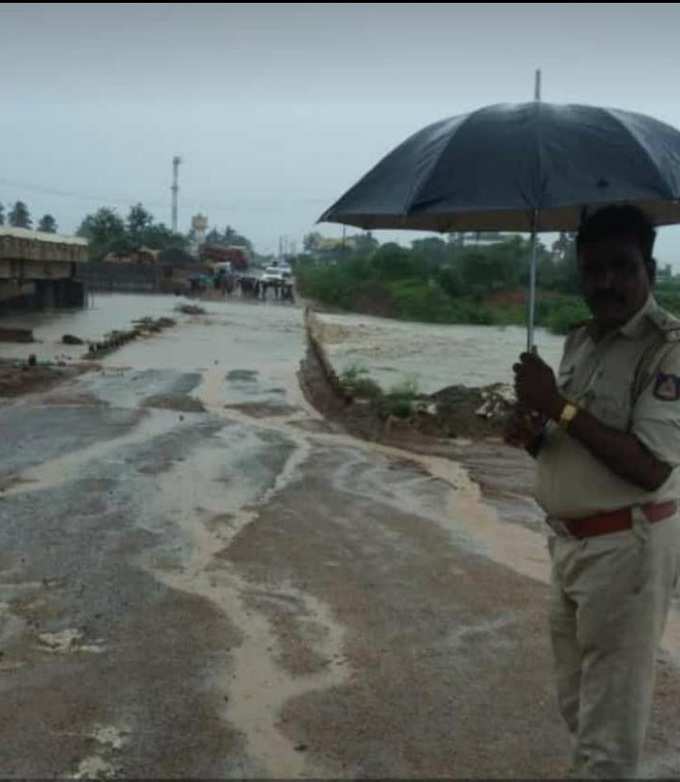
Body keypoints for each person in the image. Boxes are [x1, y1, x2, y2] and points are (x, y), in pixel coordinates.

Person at [505, 204, 680, 778]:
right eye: (593, 269)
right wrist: (534, 433)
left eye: (621, 267)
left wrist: (557, 403)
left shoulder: (668, 348)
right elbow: (576, 439)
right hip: (568, 548)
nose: (606, 282)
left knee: (609, 734)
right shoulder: (581, 340)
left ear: (649, 271)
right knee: (579, 707)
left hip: (624, 550)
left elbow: (651, 466)